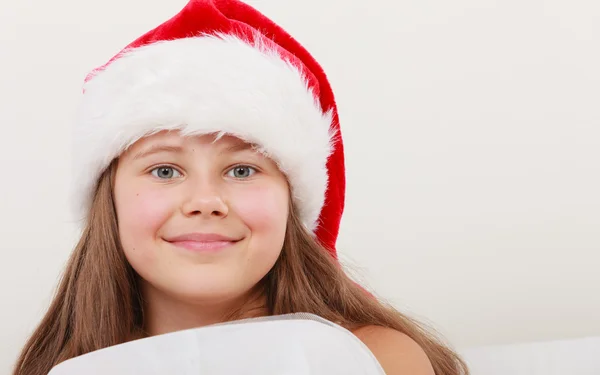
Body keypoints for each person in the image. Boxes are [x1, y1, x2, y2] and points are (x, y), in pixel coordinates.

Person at [12, 1, 468, 374]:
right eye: (165, 171)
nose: (206, 202)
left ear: (292, 202)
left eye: (243, 170)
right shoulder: (61, 367)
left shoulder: (375, 361)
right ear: (108, 199)